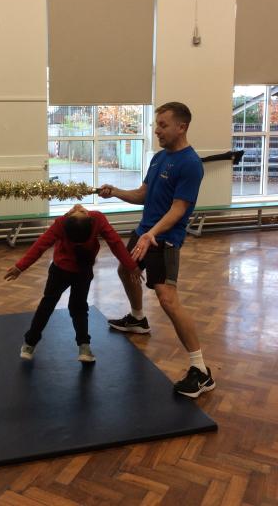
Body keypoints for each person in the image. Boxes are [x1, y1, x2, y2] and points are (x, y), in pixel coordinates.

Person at [99, 102, 216, 398]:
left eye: (163, 125)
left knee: (167, 299)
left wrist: (152, 234)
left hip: (165, 239)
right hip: (144, 231)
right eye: (156, 125)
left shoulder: (190, 164)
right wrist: (115, 192)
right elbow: (143, 194)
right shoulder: (159, 157)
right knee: (125, 270)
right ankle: (138, 318)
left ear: (182, 126)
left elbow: (179, 209)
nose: (157, 130)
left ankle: (201, 371)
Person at [4, 204, 142, 363]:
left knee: (47, 305)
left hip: (60, 271)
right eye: (80, 211)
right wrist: (132, 266)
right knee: (78, 308)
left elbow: (41, 244)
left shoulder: (62, 223)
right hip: (82, 272)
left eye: (78, 211)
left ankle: (29, 344)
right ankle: (84, 347)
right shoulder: (97, 219)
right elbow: (115, 243)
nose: (78, 207)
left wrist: (20, 267)